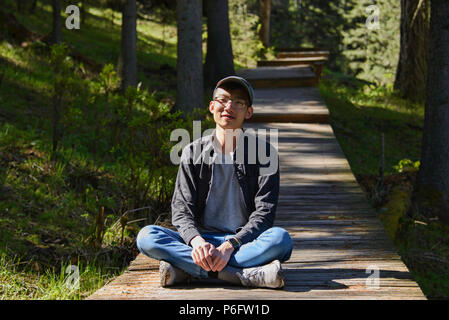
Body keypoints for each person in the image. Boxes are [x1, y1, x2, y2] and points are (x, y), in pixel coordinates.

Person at [136, 76, 293, 289]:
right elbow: (181, 211)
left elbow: (264, 215)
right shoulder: (192, 153)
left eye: (239, 102)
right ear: (212, 106)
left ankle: (191, 272)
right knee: (147, 236)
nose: (229, 106)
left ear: (248, 112)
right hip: (202, 240)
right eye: (223, 100)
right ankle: (238, 274)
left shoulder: (265, 154)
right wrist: (198, 242)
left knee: (281, 240)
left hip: (241, 243)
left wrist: (230, 245)